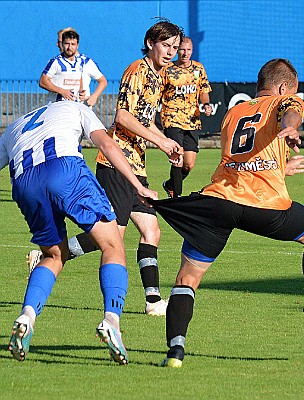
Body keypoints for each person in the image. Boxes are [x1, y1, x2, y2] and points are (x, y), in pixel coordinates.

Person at [149, 58, 304, 368]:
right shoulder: (283, 101)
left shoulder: (234, 112)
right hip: (263, 206)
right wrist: (290, 126)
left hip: (218, 202)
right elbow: (292, 110)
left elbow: (242, 161)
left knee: (187, 277)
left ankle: (175, 353)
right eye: (294, 90)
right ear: (282, 87)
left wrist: (280, 168)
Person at [28, 20, 185, 317]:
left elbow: (144, 119)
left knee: (151, 231)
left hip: (136, 164)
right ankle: (51, 254)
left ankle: (152, 301)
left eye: (175, 48)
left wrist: (166, 142)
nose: (171, 52)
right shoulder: (137, 70)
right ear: (150, 43)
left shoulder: (159, 76)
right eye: (166, 46)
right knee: (111, 238)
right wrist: (162, 144)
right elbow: (123, 117)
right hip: (116, 164)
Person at [0, 101, 159, 364]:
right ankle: (112, 321)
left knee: (53, 255)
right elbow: (107, 145)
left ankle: (27, 316)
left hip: (25, 183)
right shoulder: (76, 108)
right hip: (65, 169)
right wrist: (137, 186)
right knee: (112, 244)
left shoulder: (14, 127)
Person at [160, 36, 212, 198]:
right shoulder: (167, 69)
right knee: (179, 157)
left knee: (188, 164)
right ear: (176, 50)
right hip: (172, 118)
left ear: (192, 50)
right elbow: (158, 91)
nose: (185, 53)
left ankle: (170, 184)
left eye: (188, 50)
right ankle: (176, 196)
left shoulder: (198, 68)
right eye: (181, 49)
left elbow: (203, 90)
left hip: (192, 120)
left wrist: (206, 104)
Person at [39, 30, 107, 107]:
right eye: (67, 44)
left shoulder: (85, 62)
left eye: (73, 44)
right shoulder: (55, 62)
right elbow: (43, 82)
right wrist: (62, 91)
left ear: (77, 45)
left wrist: (94, 96)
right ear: (62, 44)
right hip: (57, 108)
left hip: (80, 108)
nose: (69, 47)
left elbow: (102, 81)